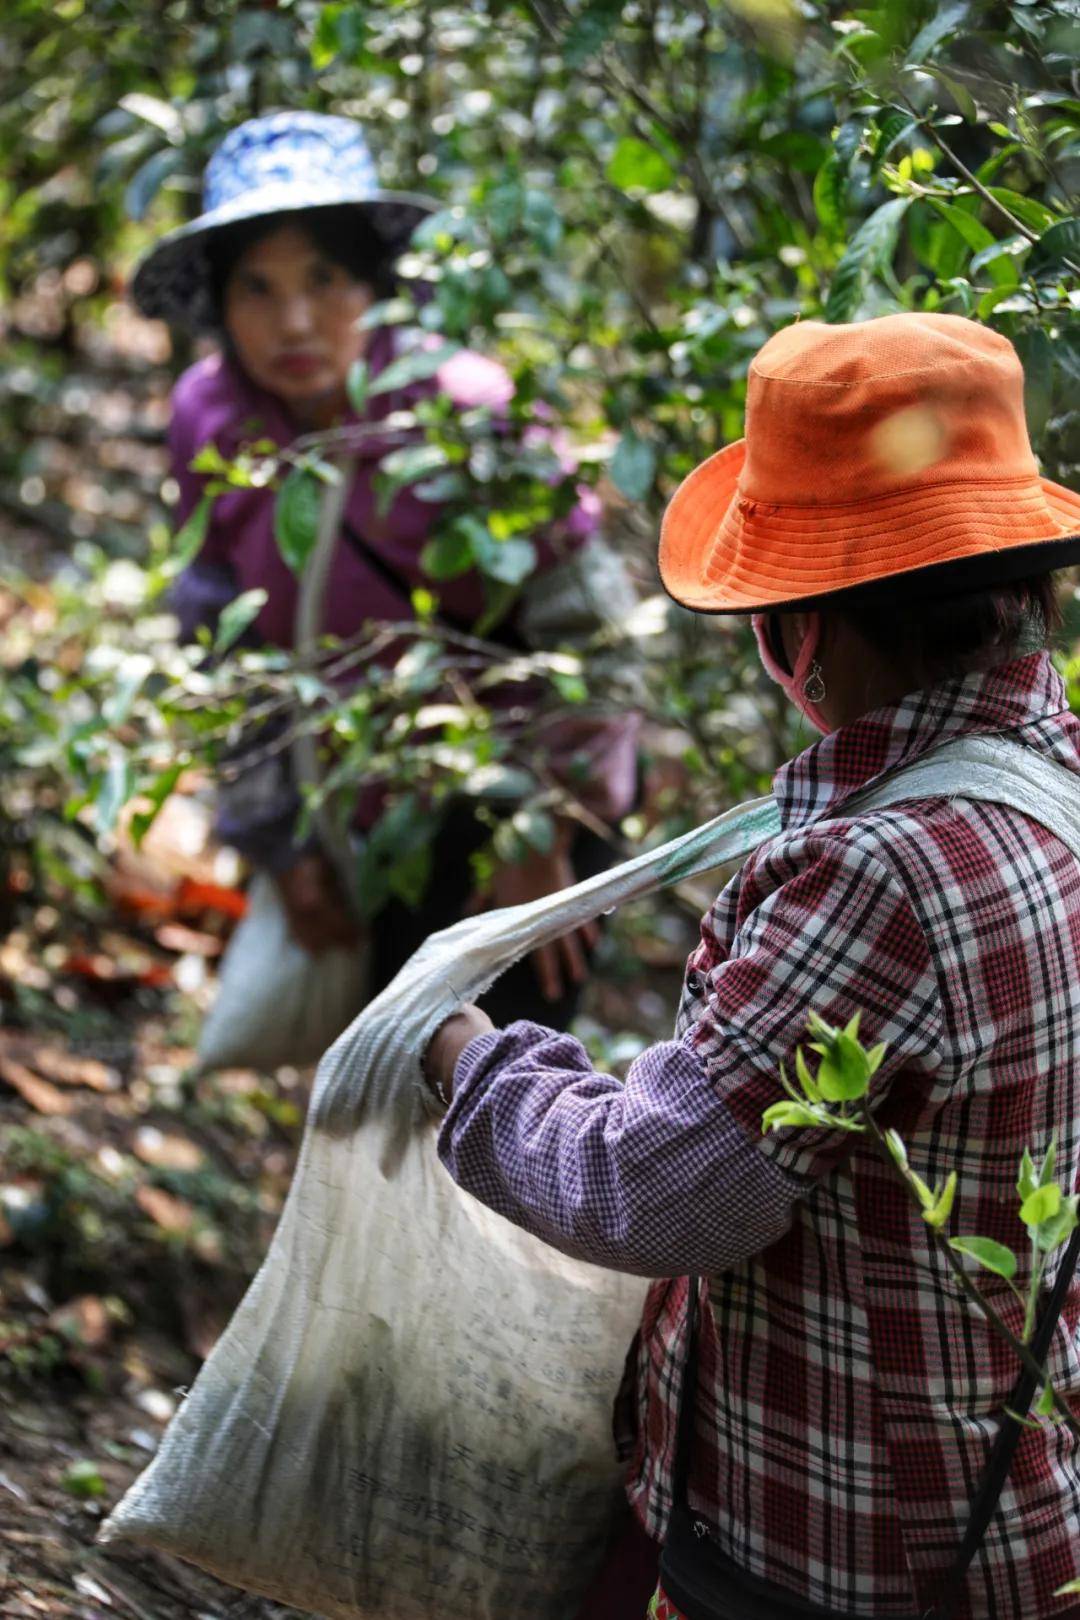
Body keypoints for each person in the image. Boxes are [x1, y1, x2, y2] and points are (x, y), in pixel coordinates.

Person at [425, 313, 1080, 1618]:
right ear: (1019, 586)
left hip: (843, 1549)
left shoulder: (878, 872)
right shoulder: (1051, 793)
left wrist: (467, 1061)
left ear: (804, 637)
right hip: (1000, 1502)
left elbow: (652, 1193)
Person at [131, 112, 639, 1024]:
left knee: (489, 1095)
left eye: (323, 280)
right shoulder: (209, 415)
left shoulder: (469, 414)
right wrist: (280, 847)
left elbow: (592, 634)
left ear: (375, 284)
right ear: (220, 301)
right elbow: (217, 638)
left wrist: (543, 828)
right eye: (258, 289)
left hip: (499, 816)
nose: (293, 321)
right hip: (344, 814)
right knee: (374, 1086)